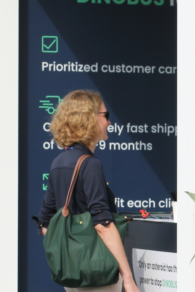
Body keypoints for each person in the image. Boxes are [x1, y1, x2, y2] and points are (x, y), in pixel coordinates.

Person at [37, 90, 140, 292]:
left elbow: (45, 223)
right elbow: (103, 224)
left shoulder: (58, 162)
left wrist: (68, 255)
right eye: (105, 116)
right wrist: (128, 278)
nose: (109, 122)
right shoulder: (91, 165)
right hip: (97, 271)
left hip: (71, 275)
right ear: (89, 119)